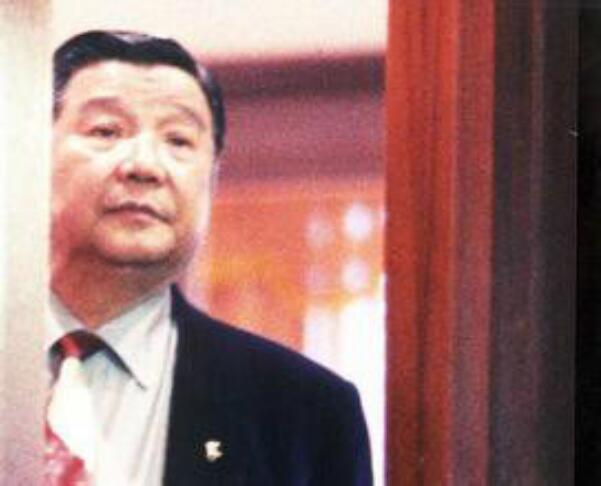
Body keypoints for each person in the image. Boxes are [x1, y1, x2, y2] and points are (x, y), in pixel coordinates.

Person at [47, 30, 373, 485]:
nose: (145, 165)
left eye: (179, 140)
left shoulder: (305, 410)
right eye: (107, 131)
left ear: (212, 177)